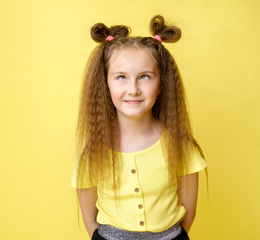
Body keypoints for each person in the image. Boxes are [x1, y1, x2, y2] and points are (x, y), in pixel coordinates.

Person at [71, 15, 208, 240]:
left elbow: (189, 211)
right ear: (105, 84)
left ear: (161, 84)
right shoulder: (92, 150)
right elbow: (89, 218)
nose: (133, 89)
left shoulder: (180, 146)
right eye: (121, 77)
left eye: (144, 77)